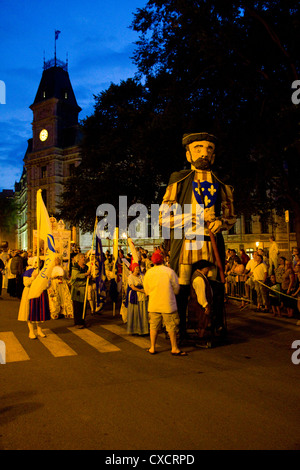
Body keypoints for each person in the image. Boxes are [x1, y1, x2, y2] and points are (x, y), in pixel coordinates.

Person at [160, 132, 236, 341]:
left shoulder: (221, 181)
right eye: (198, 148)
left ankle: (213, 326)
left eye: (209, 148)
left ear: (213, 155)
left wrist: (221, 222)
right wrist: (191, 216)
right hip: (186, 240)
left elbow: (230, 215)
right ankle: (179, 328)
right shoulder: (179, 179)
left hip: (211, 242)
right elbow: (163, 216)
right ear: (188, 154)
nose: (204, 153)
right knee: (182, 286)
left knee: (213, 287)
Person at [143, 250, 187, 356]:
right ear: (162, 260)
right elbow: (176, 288)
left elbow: (146, 289)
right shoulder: (169, 271)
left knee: (153, 326)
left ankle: (152, 347)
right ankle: (174, 347)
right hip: (168, 304)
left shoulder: (149, 273)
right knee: (171, 326)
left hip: (154, 304)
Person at [18, 257, 50, 339]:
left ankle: (39, 330)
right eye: (35, 262)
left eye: (38, 262)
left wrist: (44, 284)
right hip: (30, 294)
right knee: (30, 312)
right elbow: (26, 283)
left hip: (39, 294)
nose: (37, 264)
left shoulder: (43, 272)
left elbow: (48, 284)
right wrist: (33, 277)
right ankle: (31, 331)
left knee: (39, 312)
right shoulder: (28, 272)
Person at [188, 260, 214, 340]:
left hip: (198, 304)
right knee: (202, 322)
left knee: (202, 321)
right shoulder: (199, 279)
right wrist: (205, 305)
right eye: (207, 268)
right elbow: (201, 294)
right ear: (203, 268)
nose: (208, 270)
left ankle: (200, 337)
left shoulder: (199, 276)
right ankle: (200, 338)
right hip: (199, 305)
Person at [126, 263, 148, 335]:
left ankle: (143, 330)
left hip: (142, 296)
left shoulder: (142, 276)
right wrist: (142, 291)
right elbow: (133, 287)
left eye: (138, 268)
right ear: (133, 269)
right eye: (136, 268)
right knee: (135, 313)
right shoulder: (130, 277)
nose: (138, 269)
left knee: (142, 312)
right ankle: (134, 330)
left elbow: (145, 284)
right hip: (135, 296)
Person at [70, 253, 91, 328]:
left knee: (84, 306)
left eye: (84, 257)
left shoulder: (86, 267)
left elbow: (88, 275)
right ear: (78, 259)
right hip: (77, 289)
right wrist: (85, 274)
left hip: (84, 289)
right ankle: (77, 322)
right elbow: (76, 276)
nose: (83, 258)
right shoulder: (75, 267)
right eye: (82, 257)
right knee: (77, 306)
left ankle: (82, 321)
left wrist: (89, 276)